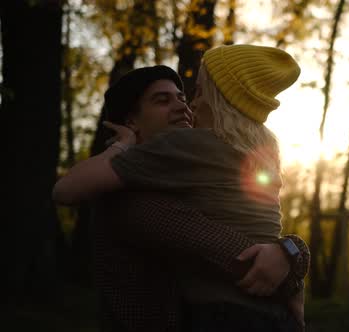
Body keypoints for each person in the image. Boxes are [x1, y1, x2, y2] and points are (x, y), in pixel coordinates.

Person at [53, 45, 306, 331]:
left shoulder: (186, 169)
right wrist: (293, 262)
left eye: (185, 96)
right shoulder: (129, 197)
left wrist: (290, 252)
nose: (184, 107)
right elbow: (232, 250)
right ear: (131, 122)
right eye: (162, 100)